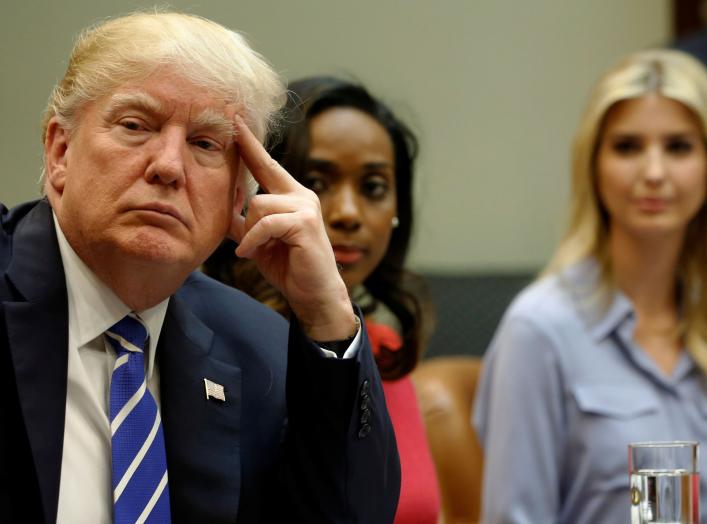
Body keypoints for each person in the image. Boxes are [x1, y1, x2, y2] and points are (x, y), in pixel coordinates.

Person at [0, 12, 401, 523]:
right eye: (135, 126)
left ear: (239, 193)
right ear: (60, 152)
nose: (167, 166)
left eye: (205, 144)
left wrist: (326, 312)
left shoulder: (256, 348)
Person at [473, 48, 707, 524]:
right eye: (627, 147)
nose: (654, 172)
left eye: (679, 147)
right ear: (593, 164)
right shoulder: (539, 329)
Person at [204, 76, 440, 523]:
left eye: (373, 187)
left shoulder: (384, 348)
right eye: (315, 181)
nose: (348, 213)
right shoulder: (212, 345)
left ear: (397, 212)